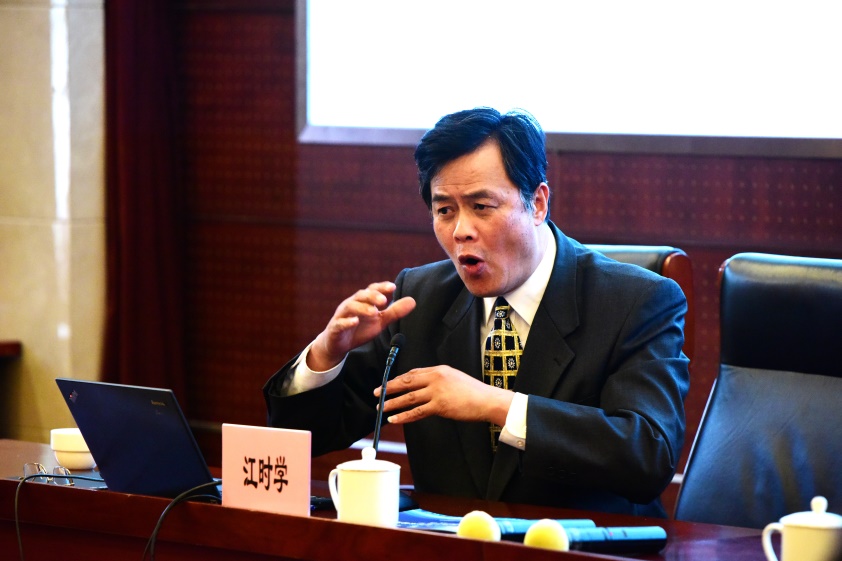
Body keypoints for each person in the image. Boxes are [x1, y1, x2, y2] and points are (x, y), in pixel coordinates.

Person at [263, 107, 689, 517]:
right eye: (444, 210)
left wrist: (497, 405)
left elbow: (648, 454)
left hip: (581, 547)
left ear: (538, 203)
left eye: (481, 206)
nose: (460, 230)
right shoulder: (419, 299)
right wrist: (326, 354)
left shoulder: (637, 301)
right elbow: (303, 438)